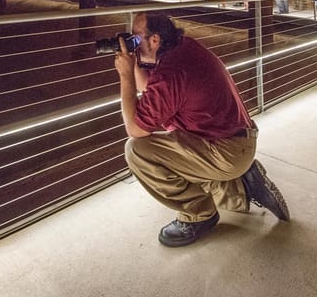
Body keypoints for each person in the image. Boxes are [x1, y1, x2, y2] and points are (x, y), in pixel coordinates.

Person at [113, 12, 291, 246]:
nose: (134, 45)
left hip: (225, 151)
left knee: (137, 151)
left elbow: (135, 129)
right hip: (235, 141)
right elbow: (148, 86)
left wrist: (125, 74)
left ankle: (198, 215)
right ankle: (244, 186)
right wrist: (134, 61)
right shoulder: (182, 48)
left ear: (154, 40)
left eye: (136, 40)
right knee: (179, 153)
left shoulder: (172, 72)